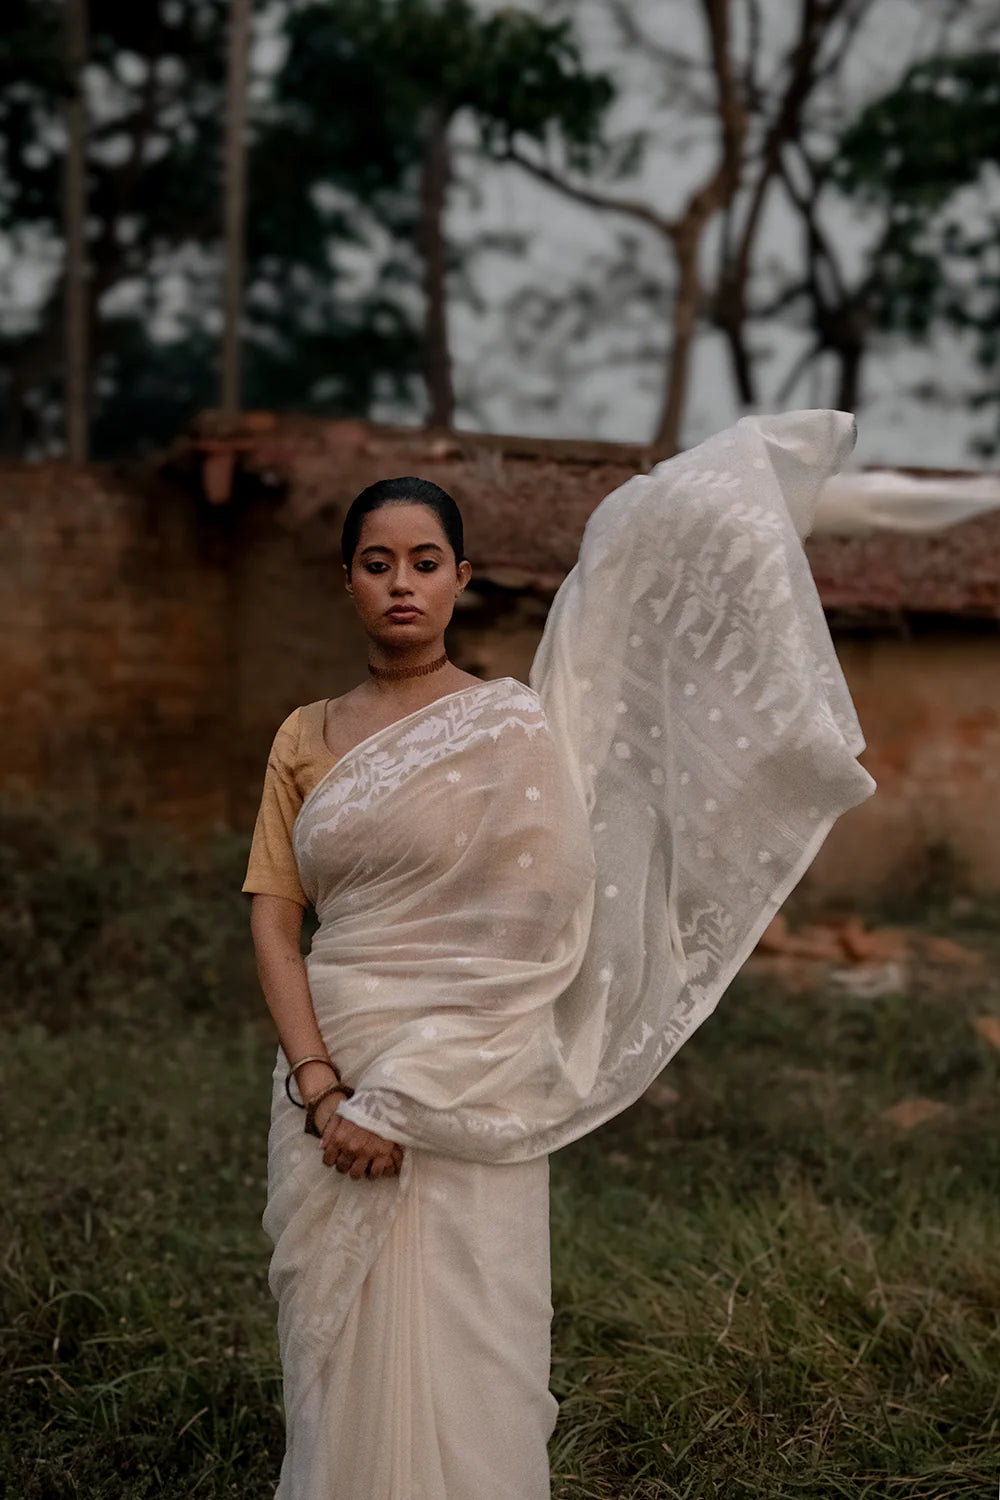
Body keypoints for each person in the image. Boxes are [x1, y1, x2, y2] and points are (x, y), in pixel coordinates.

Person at [243, 413, 877, 1500]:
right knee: (333, 1353)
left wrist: (408, 1090)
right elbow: (273, 917)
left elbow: (540, 924)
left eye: (425, 563)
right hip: (328, 1076)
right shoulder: (304, 735)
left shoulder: (511, 727)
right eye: (377, 563)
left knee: (473, 1339)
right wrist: (324, 1091)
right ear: (345, 579)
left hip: (469, 1078)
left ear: (461, 580)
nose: (403, 583)